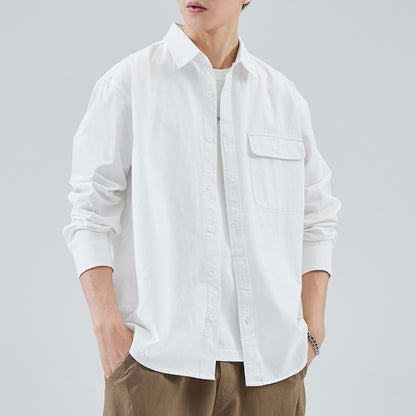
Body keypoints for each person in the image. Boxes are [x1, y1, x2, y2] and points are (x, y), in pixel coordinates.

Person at [62, 1, 342, 415]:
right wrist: (109, 331)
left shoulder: (283, 99)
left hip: (272, 369)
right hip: (158, 366)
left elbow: (317, 217)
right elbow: (89, 212)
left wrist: (312, 330)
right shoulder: (131, 83)